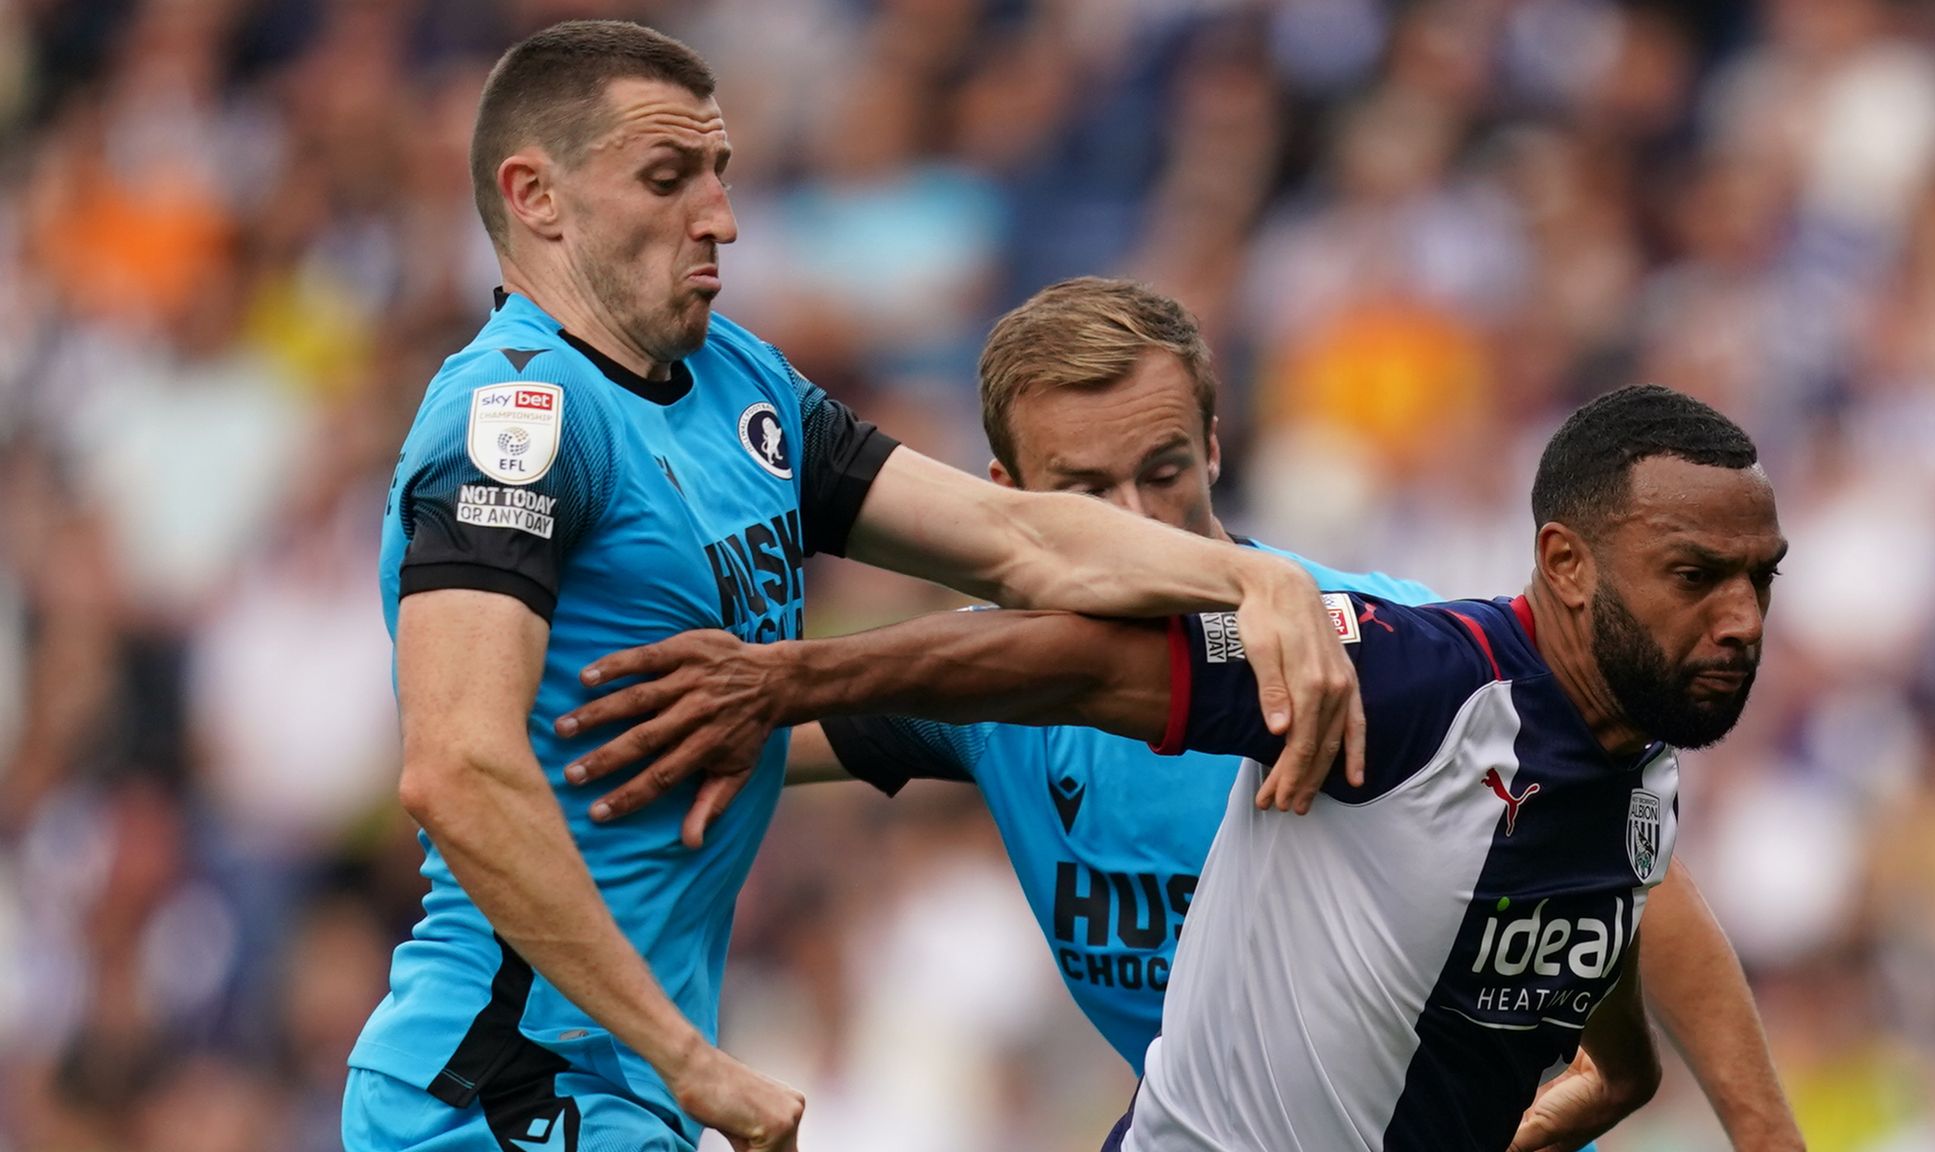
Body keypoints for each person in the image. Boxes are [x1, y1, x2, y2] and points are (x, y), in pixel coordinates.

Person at [345, 25, 1366, 1152]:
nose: (721, 218)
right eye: (668, 179)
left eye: (720, 174)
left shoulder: (742, 384)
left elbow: (1018, 541)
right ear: (535, 197)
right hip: (501, 1083)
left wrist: (1253, 580)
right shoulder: (516, 421)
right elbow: (457, 767)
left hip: (614, 1086)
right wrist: (693, 1064)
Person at [558, 283, 1803, 1149]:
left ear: (1213, 443)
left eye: (1163, 472)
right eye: (1082, 492)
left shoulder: (1364, 651)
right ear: (1004, 498)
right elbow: (721, 738)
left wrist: (1739, 1121)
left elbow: (1619, 845)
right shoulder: (984, 685)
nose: (1138, 526)